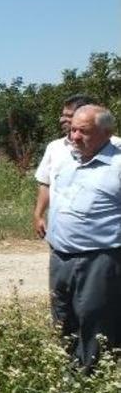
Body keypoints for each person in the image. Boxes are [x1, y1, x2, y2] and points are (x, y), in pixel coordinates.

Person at [46, 104, 121, 371]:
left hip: (100, 257)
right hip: (60, 255)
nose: (75, 136)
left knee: (94, 319)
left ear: (107, 132)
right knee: (62, 317)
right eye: (73, 129)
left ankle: (90, 379)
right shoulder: (64, 155)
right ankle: (67, 369)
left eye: (84, 131)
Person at [33, 94, 121, 238]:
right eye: (63, 115)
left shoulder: (116, 147)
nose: (62, 120)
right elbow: (45, 183)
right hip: (60, 239)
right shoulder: (55, 147)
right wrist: (38, 215)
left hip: (101, 244)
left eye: (69, 115)